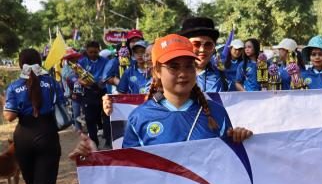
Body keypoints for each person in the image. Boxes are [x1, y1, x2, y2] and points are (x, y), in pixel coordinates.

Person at [70, 34, 252, 154]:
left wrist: (240, 141)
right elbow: (129, 174)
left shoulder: (217, 113)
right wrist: (95, 159)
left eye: (189, 66)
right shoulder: (139, 118)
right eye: (174, 66)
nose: (183, 73)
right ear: (156, 71)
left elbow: (231, 168)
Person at [3, 49, 64, 184]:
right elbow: (61, 103)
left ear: (20, 64)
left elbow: (9, 116)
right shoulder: (51, 82)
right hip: (47, 134)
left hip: (23, 138)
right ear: (40, 62)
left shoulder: (14, 86)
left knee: (32, 182)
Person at [77, 40, 111, 148]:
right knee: (90, 119)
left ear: (99, 50)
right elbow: (78, 79)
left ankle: (108, 142)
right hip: (88, 93)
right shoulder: (82, 62)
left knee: (106, 118)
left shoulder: (105, 61)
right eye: (90, 52)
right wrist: (87, 83)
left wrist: (102, 82)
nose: (93, 54)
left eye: (95, 52)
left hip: (102, 92)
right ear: (87, 51)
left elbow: (109, 75)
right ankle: (94, 143)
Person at [177, 17, 226, 93]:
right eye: (196, 44)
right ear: (184, 46)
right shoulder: (170, 76)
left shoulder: (221, 77)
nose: (202, 49)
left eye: (208, 45)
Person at [62, 48, 84, 132]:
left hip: (81, 91)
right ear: (68, 59)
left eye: (74, 57)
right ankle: (78, 129)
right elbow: (70, 80)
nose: (74, 59)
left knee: (82, 110)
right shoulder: (65, 69)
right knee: (76, 111)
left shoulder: (78, 66)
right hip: (72, 93)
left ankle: (80, 126)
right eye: (72, 58)